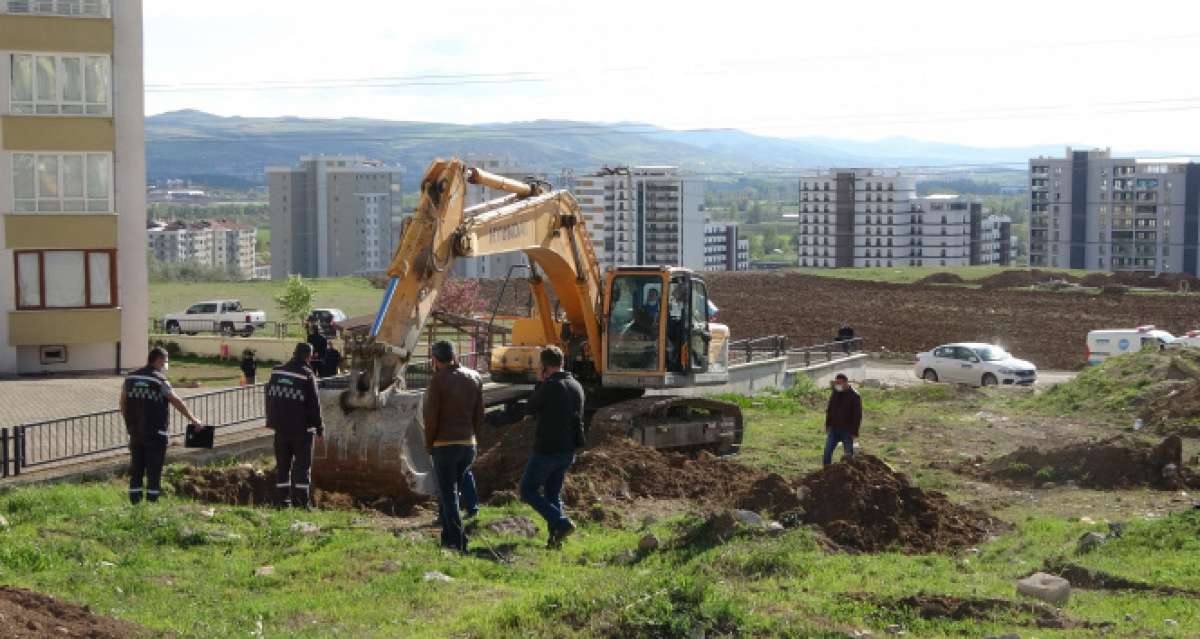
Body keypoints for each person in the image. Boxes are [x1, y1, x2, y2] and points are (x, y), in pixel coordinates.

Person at [521, 346, 586, 549]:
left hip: (547, 449)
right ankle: (556, 539)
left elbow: (530, 407)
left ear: (544, 366)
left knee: (527, 491)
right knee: (552, 494)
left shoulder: (550, 386)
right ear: (562, 363)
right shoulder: (576, 385)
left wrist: (540, 384)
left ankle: (561, 523)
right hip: (568, 450)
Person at [119, 346, 202, 505]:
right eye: (165, 361)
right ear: (158, 360)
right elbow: (176, 401)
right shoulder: (159, 380)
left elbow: (123, 403)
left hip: (135, 433)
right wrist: (194, 420)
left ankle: (135, 504)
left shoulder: (129, 379)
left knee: (136, 469)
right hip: (156, 433)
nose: (166, 365)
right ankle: (151, 505)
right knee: (154, 470)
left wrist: (130, 423)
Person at [423, 340, 485, 552]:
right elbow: (479, 415)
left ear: (435, 359)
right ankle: (448, 538)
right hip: (468, 444)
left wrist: (429, 443)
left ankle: (459, 541)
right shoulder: (475, 377)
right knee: (452, 492)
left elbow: (431, 417)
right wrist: (474, 438)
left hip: (444, 444)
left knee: (448, 494)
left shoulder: (438, 380)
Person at [265, 343, 324, 508]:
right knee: (302, 468)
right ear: (309, 357)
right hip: (302, 431)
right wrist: (319, 427)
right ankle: (301, 503)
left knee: (283, 466)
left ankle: (282, 502)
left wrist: (272, 420)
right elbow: (314, 405)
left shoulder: (277, 371)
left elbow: (269, 396)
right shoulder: (306, 375)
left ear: (294, 353)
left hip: (280, 429)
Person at [823, 373, 862, 466]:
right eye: (836, 383)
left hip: (847, 430)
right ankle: (825, 473)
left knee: (848, 456)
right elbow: (830, 408)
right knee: (827, 453)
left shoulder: (854, 396)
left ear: (845, 383)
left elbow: (857, 416)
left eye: (839, 383)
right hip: (834, 429)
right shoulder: (835, 392)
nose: (837, 385)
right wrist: (828, 424)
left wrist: (854, 432)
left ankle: (849, 475)